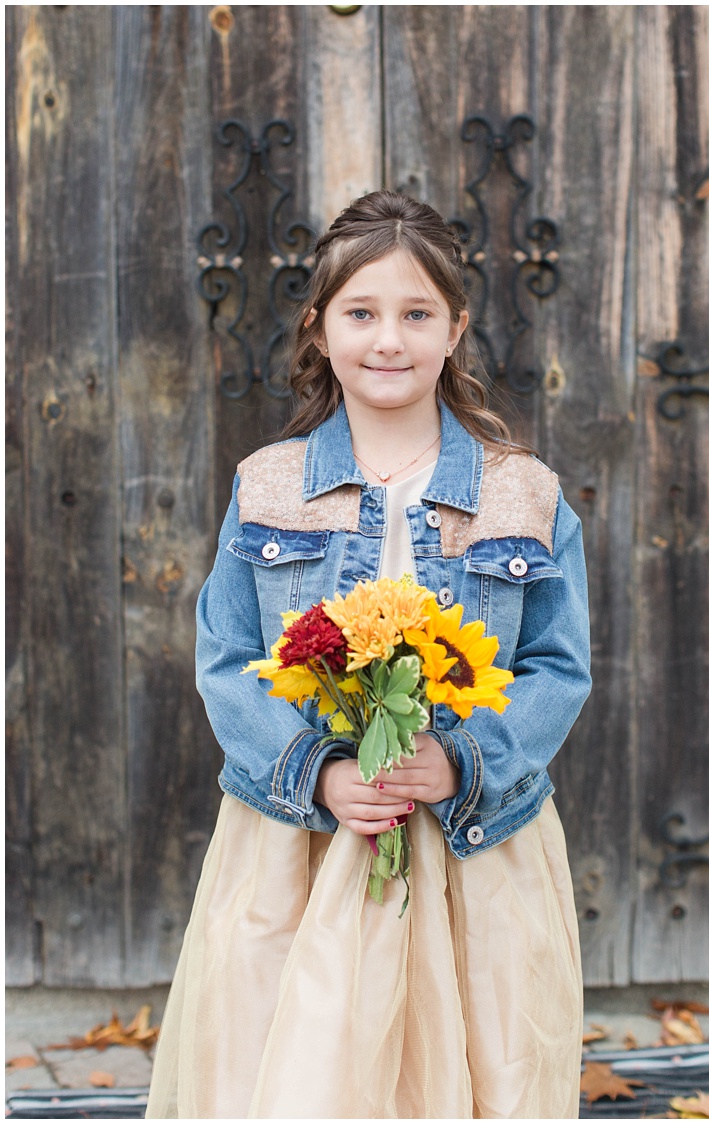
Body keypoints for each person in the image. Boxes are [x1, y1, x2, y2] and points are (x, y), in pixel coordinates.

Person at [146, 189, 591, 1118]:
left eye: (416, 314)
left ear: (455, 330)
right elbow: (227, 656)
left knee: (473, 1069)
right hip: (304, 837)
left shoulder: (524, 496)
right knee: (299, 1067)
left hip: (475, 840)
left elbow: (558, 665)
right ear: (319, 329)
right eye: (362, 313)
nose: (389, 340)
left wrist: (460, 758)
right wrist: (314, 769)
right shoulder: (267, 487)